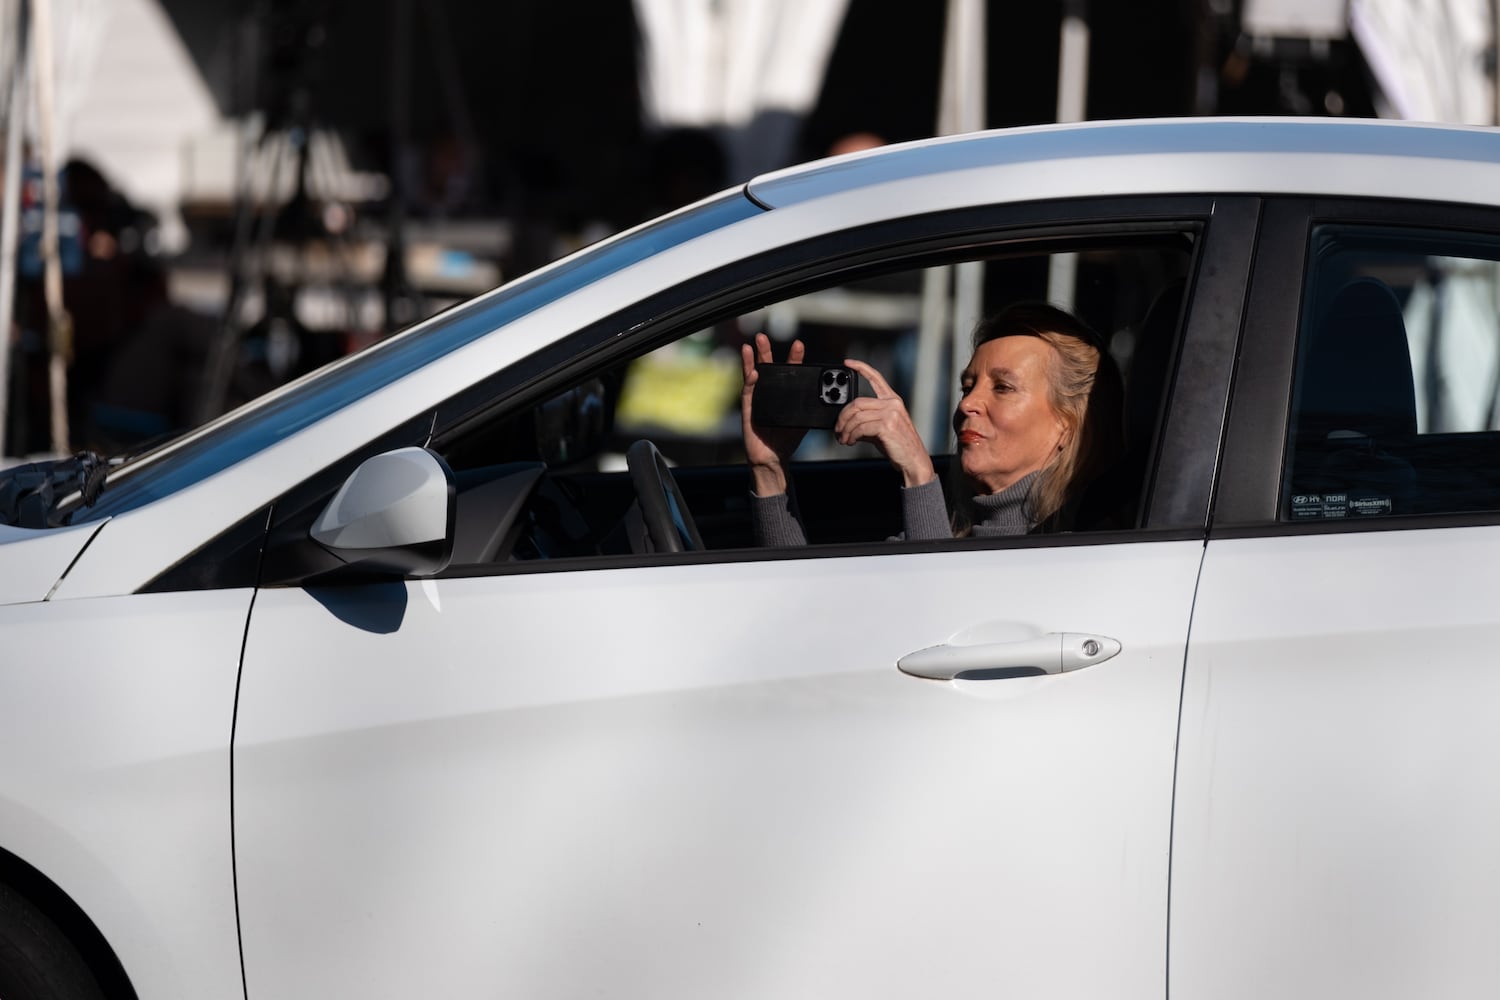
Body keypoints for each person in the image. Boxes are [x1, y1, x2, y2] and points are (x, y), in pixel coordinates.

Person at [741, 302, 1123, 544]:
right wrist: (770, 471)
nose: (968, 403)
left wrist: (918, 474)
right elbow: (810, 623)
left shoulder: (1082, 552)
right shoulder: (940, 535)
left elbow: (939, 634)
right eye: (967, 385)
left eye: (1003, 387)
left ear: (1067, 425)